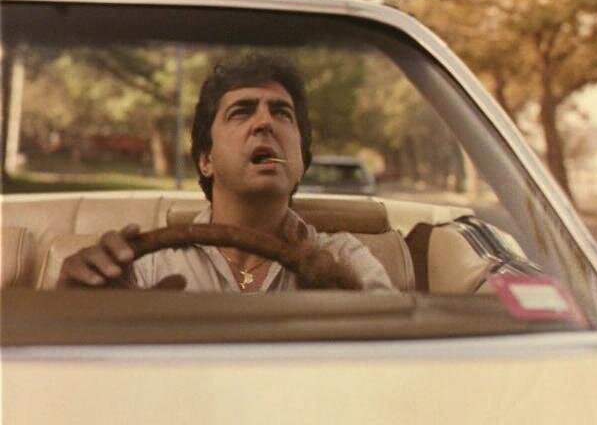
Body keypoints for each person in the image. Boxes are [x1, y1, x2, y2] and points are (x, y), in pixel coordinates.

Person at [58, 53, 394, 292]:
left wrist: (347, 306)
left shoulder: (345, 259)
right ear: (206, 160)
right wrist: (79, 302)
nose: (264, 122)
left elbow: (395, 358)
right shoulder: (150, 263)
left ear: (301, 162)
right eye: (241, 112)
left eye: (282, 113)